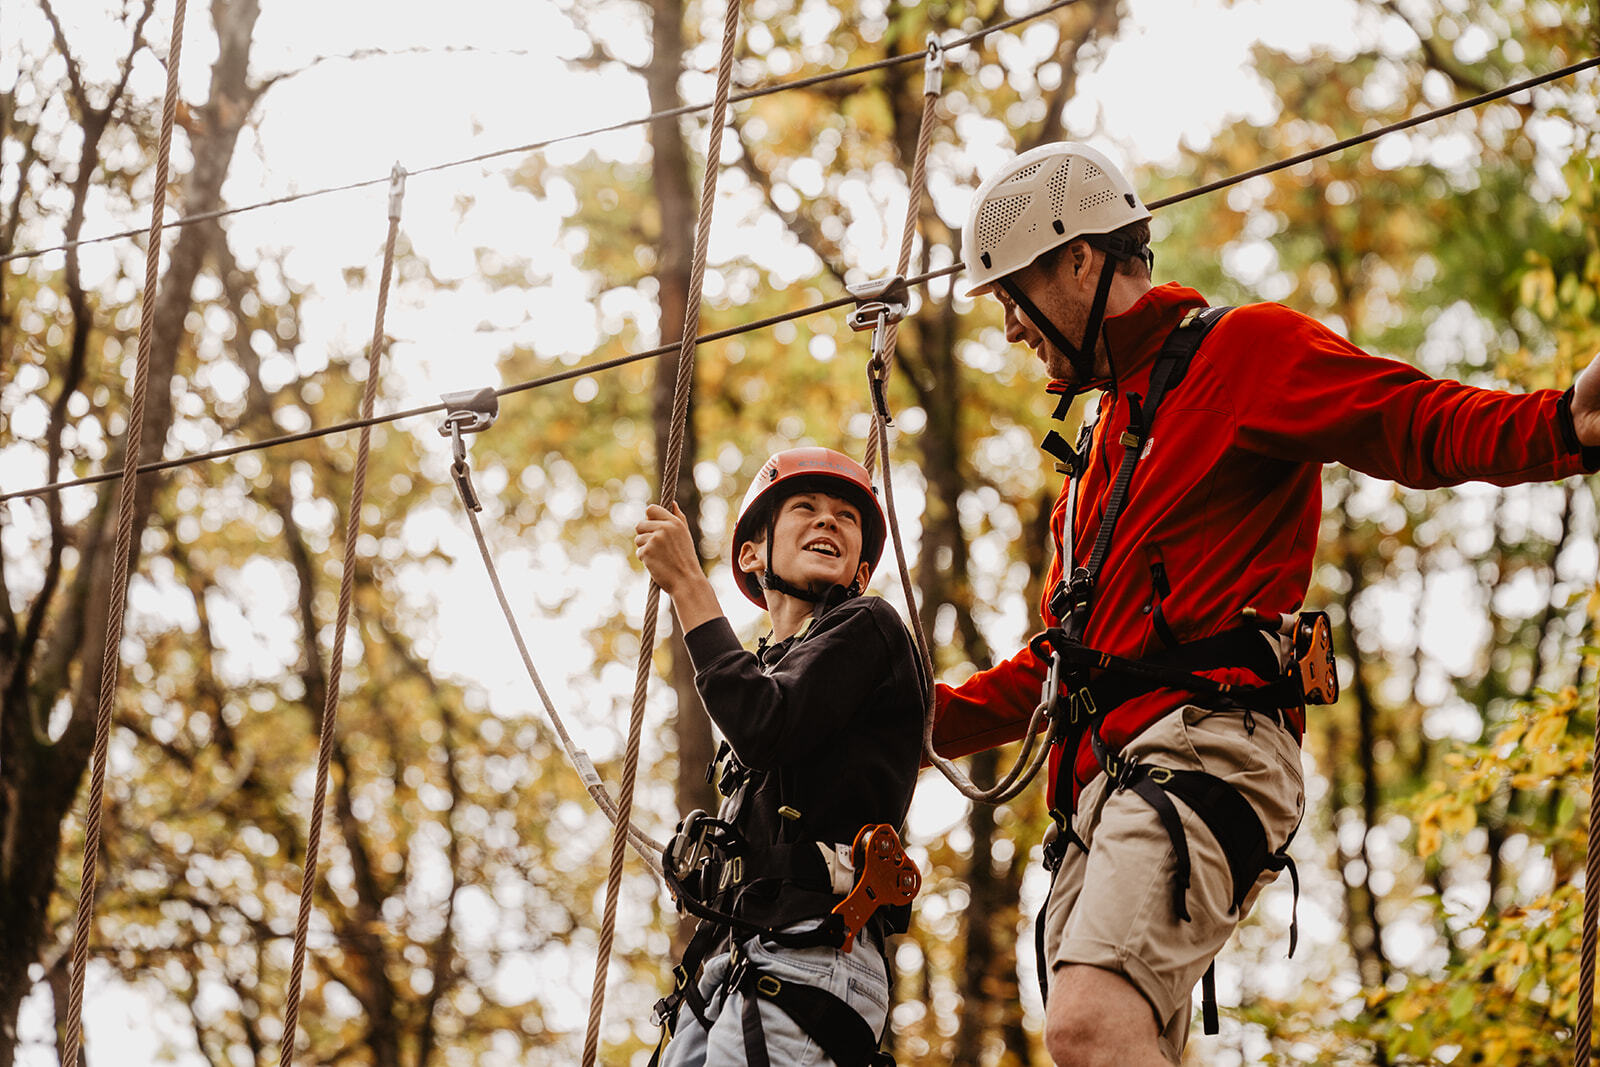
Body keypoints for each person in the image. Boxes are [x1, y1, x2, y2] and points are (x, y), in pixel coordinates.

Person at [929, 141, 1600, 1067]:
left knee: (1087, 1020)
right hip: (1100, 789)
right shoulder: (1094, 463)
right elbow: (1055, 668)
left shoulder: (1238, 353)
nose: (1010, 327)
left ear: (1078, 257)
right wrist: (897, 714)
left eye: (1012, 293)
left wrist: (1563, 424)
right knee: (1100, 1040)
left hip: (1199, 744)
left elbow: (1405, 418)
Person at [636, 446, 925, 1067]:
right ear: (751, 553)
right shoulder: (770, 668)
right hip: (735, 960)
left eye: (846, 517)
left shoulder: (870, 626)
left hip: (813, 954)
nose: (829, 522)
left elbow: (765, 723)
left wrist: (688, 584)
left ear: (861, 567)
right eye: (806, 507)